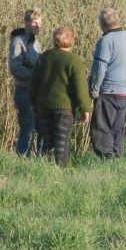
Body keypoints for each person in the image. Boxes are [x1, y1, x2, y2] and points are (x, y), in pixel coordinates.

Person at [29, 26, 91, 167]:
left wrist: (33, 102)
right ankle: (60, 172)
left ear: (54, 41)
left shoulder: (43, 57)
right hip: (65, 109)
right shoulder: (74, 61)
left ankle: (42, 170)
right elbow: (80, 87)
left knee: (45, 141)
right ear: (71, 41)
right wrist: (85, 109)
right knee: (61, 143)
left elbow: (34, 84)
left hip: (43, 107)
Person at [90, 7, 126, 159]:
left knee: (103, 128)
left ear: (102, 24)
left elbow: (99, 69)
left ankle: (106, 159)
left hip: (109, 91)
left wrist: (94, 91)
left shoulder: (105, 41)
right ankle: (118, 157)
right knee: (118, 127)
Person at [8, 8, 43, 156]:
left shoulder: (35, 42)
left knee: (36, 128)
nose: (38, 26)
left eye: (40, 22)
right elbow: (15, 67)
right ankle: (22, 158)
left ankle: (32, 159)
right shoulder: (18, 41)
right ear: (26, 22)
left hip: (36, 91)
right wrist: (35, 75)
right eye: (34, 22)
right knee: (27, 128)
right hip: (24, 90)